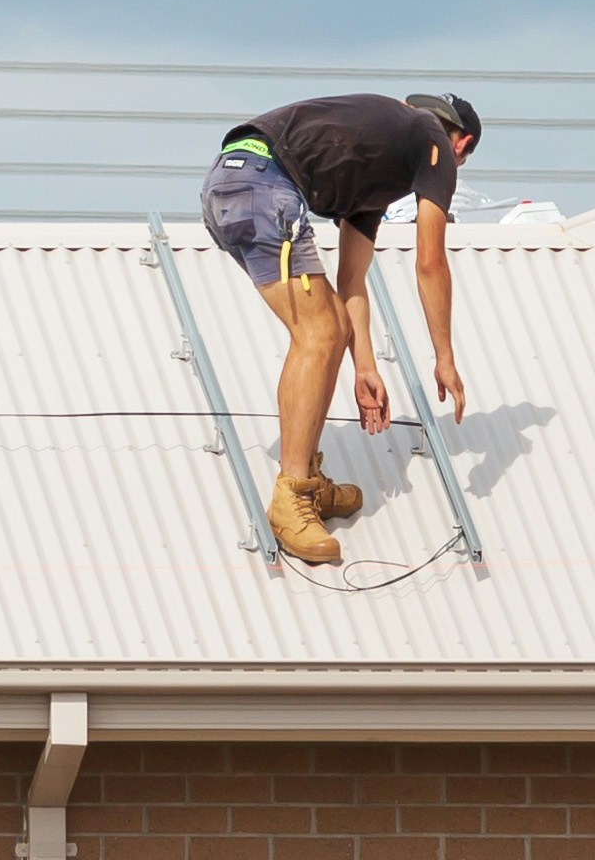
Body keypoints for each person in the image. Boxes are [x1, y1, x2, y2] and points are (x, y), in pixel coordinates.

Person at [199, 91, 479, 567]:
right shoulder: (433, 138)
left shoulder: (374, 174)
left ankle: (305, 474)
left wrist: (364, 367)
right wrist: (445, 357)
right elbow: (431, 262)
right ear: (462, 144)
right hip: (265, 183)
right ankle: (292, 494)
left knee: (326, 322)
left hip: (232, 181)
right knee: (320, 332)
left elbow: (352, 282)